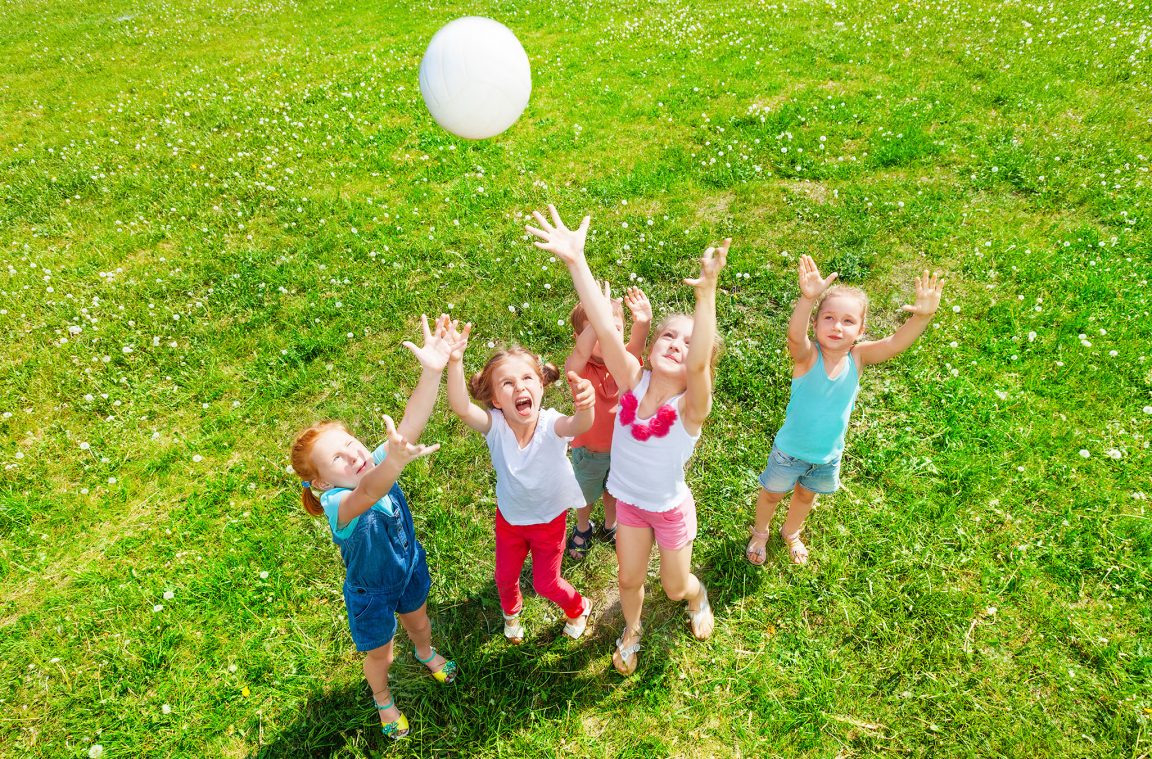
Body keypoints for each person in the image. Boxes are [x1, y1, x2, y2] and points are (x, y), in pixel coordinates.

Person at [529, 204, 727, 676]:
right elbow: (601, 320)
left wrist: (706, 296)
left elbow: (697, 365)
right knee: (629, 578)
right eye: (669, 336)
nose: (677, 343)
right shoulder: (631, 379)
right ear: (653, 343)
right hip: (630, 503)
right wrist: (576, 261)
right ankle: (631, 630)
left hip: (669, 508)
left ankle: (696, 598)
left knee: (676, 587)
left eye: (689, 339)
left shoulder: (690, 408)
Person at [289, 315, 458, 740]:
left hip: (408, 568)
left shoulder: (379, 460)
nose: (353, 455)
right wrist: (396, 461)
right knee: (380, 652)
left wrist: (431, 370)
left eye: (352, 444)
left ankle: (425, 652)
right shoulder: (337, 503)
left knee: (419, 621)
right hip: (371, 594)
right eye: (338, 459)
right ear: (323, 482)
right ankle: (383, 698)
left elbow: (412, 422)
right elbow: (367, 494)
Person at [745, 255, 943, 566]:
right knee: (771, 494)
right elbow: (794, 336)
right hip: (789, 453)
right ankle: (760, 531)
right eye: (829, 318)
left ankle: (791, 532)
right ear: (816, 323)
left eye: (848, 321)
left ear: (862, 329)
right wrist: (808, 298)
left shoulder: (858, 357)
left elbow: (894, 344)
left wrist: (921, 318)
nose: (838, 327)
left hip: (826, 455)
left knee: (805, 497)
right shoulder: (808, 357)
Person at [444, 319, 596, 643]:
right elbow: (460, 406)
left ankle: (578, 606)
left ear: (541, 386)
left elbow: (580, 424)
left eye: (527, 378)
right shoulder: (494, 426)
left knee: (545, 583)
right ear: (496, 400)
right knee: (504, 577)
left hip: (548, 520)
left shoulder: (552, 424)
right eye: (507, 384)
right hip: (510, 519)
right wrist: (455, 360)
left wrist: (587, 406)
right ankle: (511, 614)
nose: (520, 388)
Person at [563, 284, 651, 559]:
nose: (608, 335)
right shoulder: (579, 369)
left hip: (622, 450)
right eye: (599, 331)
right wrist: (599, 317)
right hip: (588, 453)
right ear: (580, 337)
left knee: (614, 492)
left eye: (614, 328)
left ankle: (611, 524)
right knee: (585, 495)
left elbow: (637, 343)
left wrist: (644, 322)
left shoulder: (624, 362)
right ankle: (582, 526)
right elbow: (578, 354)